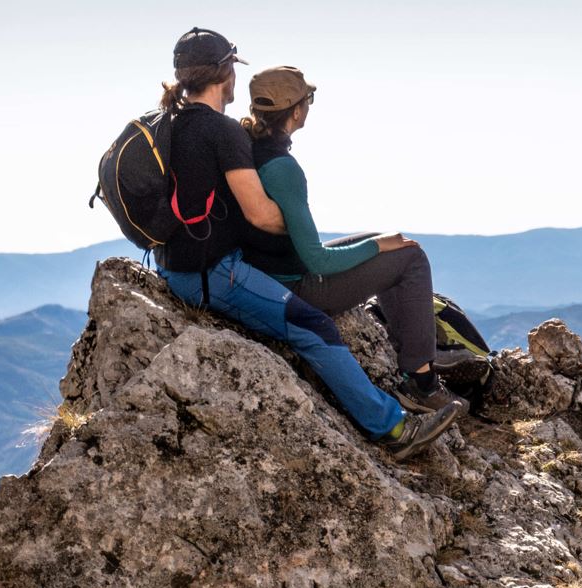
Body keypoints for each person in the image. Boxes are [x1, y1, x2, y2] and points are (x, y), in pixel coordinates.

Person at [149, 28, 462, 459]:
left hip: (177, 262)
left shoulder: (172, 122)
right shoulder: (226, 134)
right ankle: (394, 428)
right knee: (315, 327)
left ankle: (417, 369)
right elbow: (262, 217)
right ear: (226, 74)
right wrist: (301, 226)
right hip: (212, 273)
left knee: (383, 246)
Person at [236, 66, 469, 411]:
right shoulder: (283, 168)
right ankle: (421, 381)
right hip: (297, 287)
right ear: (296, 110)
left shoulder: (248, 149)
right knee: (410, 258)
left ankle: (411, 347)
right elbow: (317, 260)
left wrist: (377, 242)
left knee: (382, 238)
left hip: (269, 272)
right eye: (308, 99)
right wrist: (378, 247)